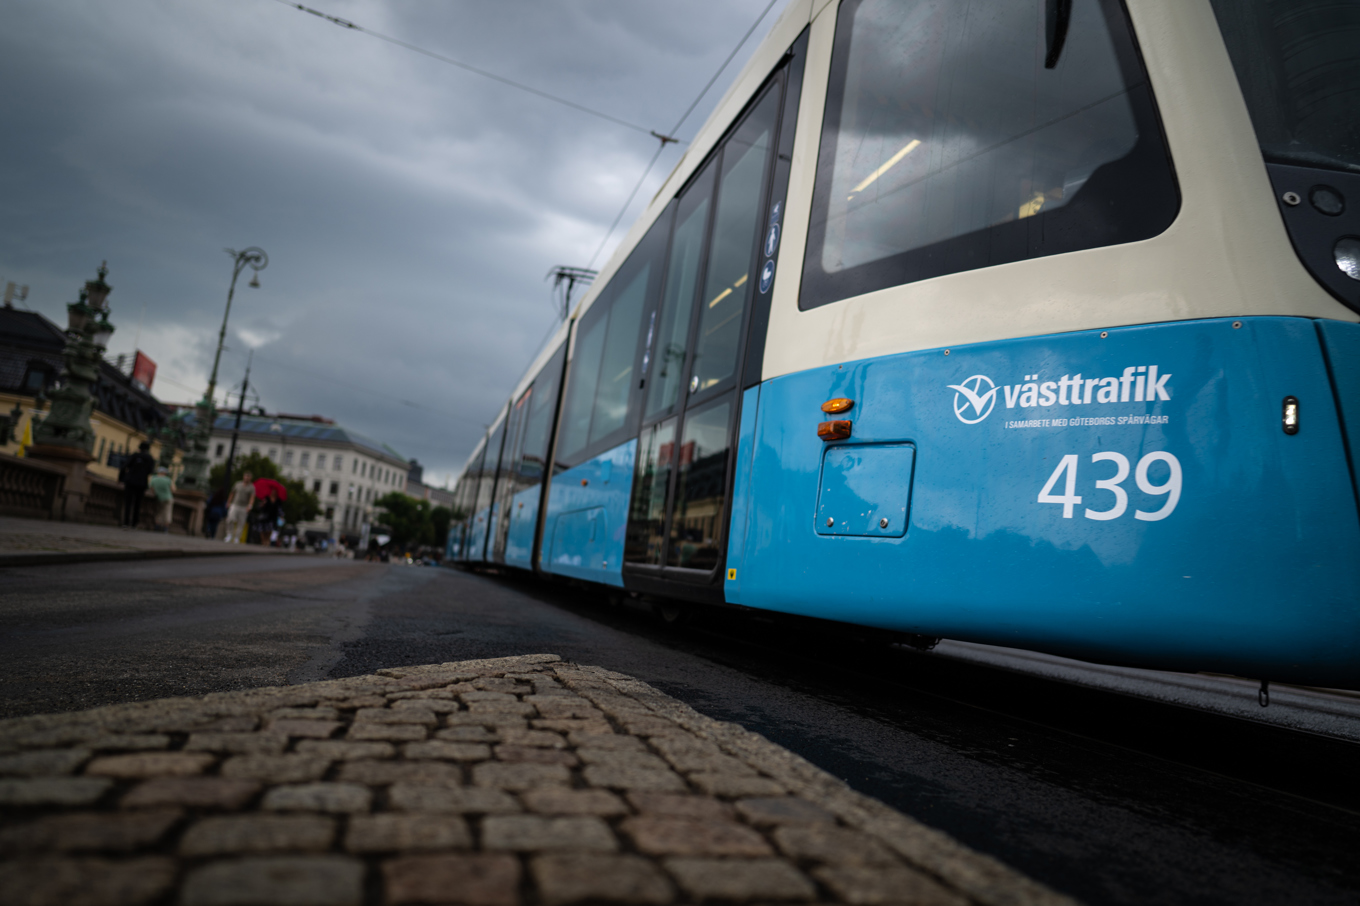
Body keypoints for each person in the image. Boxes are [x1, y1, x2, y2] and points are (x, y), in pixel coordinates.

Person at [117, 441, 156, 529]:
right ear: (148, 449)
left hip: (130, 481)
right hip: (142, 483)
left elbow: (124, 467)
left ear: (139, 448)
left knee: (128, 503)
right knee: (137, 504)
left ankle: (126, 522)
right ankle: (134, 523)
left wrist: (120, 479)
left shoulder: (135, 456)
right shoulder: (150, 458)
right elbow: (151, 471)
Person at [223, 471, 255, 543]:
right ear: (243, 476)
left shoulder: (251, 487)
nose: (246, 478)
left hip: (244, 507)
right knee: (230, 519)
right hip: (235, 504)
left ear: (250, 478)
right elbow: (232, 493)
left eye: (248, 476)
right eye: (245, 476)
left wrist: (250, 506)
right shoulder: (238, 484)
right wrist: (228, 502)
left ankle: (237, 537)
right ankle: (229, 535)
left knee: (241, 522)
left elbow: (252, 497)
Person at [148, 466, 174, 533]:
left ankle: (157, 526)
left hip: (159, 497)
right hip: (168, 497)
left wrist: (157, 493)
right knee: (167, 512)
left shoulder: (153, 479)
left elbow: (151, 488)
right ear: (164, 473)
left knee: (159, 511)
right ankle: (165, 528)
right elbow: (173, 489)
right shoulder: (168, 479)